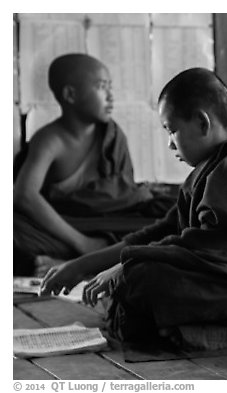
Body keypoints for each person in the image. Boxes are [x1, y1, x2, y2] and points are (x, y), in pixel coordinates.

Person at [40, 67, 227, 350]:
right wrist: (82, 265)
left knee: (140, 281)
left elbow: (213, 254)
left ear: (202, 123)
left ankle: (192, 327)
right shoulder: (213, 168)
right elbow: (162, 232)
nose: (169, 143)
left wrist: (125, 268)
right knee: (133, 280)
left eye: (172, 130)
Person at [14, 53, 173, 277]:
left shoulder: (113, 135)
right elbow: (24, 196)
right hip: (63, 227)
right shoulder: (50, 139)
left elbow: (124, 195)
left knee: (173, 217)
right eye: (101, 86)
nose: (110, 96)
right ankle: (92, 259)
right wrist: (83, 243)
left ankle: (72, 262)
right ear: (70, 94)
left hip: (112, 225)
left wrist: (139, 195)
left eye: (110, 86)